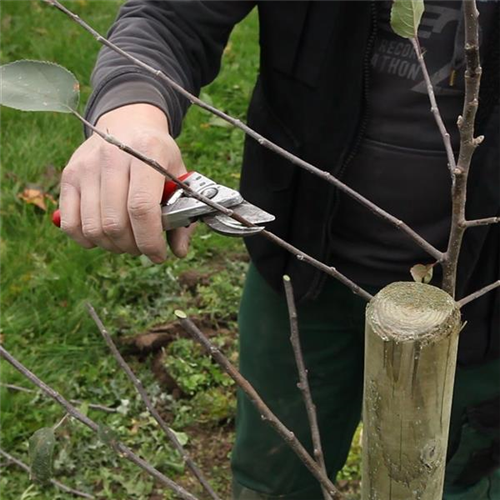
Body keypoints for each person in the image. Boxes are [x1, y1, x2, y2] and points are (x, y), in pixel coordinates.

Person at [59, 1, 500, 499]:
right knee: (274, 482)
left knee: (466, 484)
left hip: (486, 314)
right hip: (301, 271)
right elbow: (168, 15)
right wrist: (129, 115)